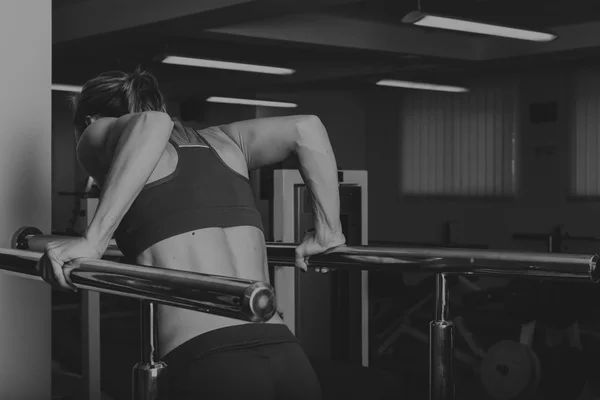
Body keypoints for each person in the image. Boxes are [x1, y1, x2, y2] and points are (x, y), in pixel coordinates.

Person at [37, 69, 346, 399]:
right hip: (285, 352)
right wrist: (329, 231)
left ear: (90, 119)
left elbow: (153, 123)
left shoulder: (98, 130)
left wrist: (93, 240)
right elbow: (306, 128)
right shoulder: (225, 141)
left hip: (209, 363)